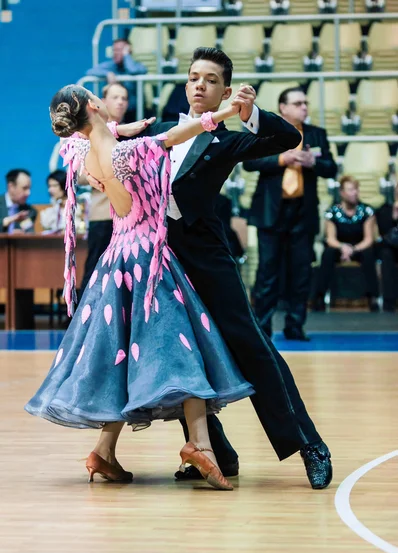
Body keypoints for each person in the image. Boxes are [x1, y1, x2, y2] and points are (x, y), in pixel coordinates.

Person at [114, 48, 333, 489]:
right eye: (194, 76)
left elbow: (285, 140)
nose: (199, 85)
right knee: (181, 355)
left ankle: (310, 445)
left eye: (210, 80)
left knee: (253, 348)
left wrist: (251, 113)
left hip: (207, 256)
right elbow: (96, 148)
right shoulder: (155, 130)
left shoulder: (227, 139)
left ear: (225, 91)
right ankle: (215, 455)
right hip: (159, 257)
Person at [24, 84, 255, 491]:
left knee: (118, 354)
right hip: (148, 258)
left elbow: (87, 139)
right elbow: (174, 136)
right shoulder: (129, 152)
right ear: (94, 105)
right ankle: (199, 444)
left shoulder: (79, 156)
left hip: (115, 261)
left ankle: (105, 451)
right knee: (182, 345)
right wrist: (223, 114)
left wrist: (120, 126)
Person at [243, 86, 337, 341]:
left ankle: (295, 326)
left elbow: (331, 168)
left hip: (302, 212)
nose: (304, 107)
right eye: (297, 103)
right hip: (271, 211)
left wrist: (313, 162)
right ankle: (262, 329)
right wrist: (282, 160)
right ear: (283, 107)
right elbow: (249, 162)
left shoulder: (317, 134)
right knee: (267, 273)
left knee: (301, 272)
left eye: (305, 102)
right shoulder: (267, 131)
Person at [79, 83, 155, 296]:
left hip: (133, 215)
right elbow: (78, 174)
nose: (121, 102)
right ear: (100, 102)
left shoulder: (135, 130)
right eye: (115, 97)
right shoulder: (87, 132)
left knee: (129, 271)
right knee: (96, 268)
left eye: (124, 98)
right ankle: (83, 320)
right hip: (103, 214)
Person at [313, 176, 379, 311]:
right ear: (342, 193)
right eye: (350, 189)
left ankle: (373, 297)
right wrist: (343, 247)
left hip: (359, 247)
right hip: (339, 247)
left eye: (356, 189)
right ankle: (319, 296)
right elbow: (330, 239)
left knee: (369, 254)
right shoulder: (332, 212)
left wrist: (353, 249)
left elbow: (368, 239)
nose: (354, 192)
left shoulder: (367, 211)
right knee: (328, 253)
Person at [86, 39, 147, 120]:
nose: (115, 53)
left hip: (134, 111)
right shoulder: (111, 66)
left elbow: (133, 70)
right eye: (114, 50)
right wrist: (107, 73)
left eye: (119, 50)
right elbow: (90, 71)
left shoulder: (137, 65)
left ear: (128, 51)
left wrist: (126, 56)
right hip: (113, 111)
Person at [376, 188, 398, 312]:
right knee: (386, 254)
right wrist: (394, 216)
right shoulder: (385, 209)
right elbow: (384, 234)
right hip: (392, 247)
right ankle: (389, 301)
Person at [0, 169, 36, 233]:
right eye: (24, 188)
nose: (28, 193)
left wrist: (24, 234)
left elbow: (30, 232)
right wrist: (9, 221)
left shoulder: (29, 211)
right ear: (11, 186)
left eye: (29, 188)